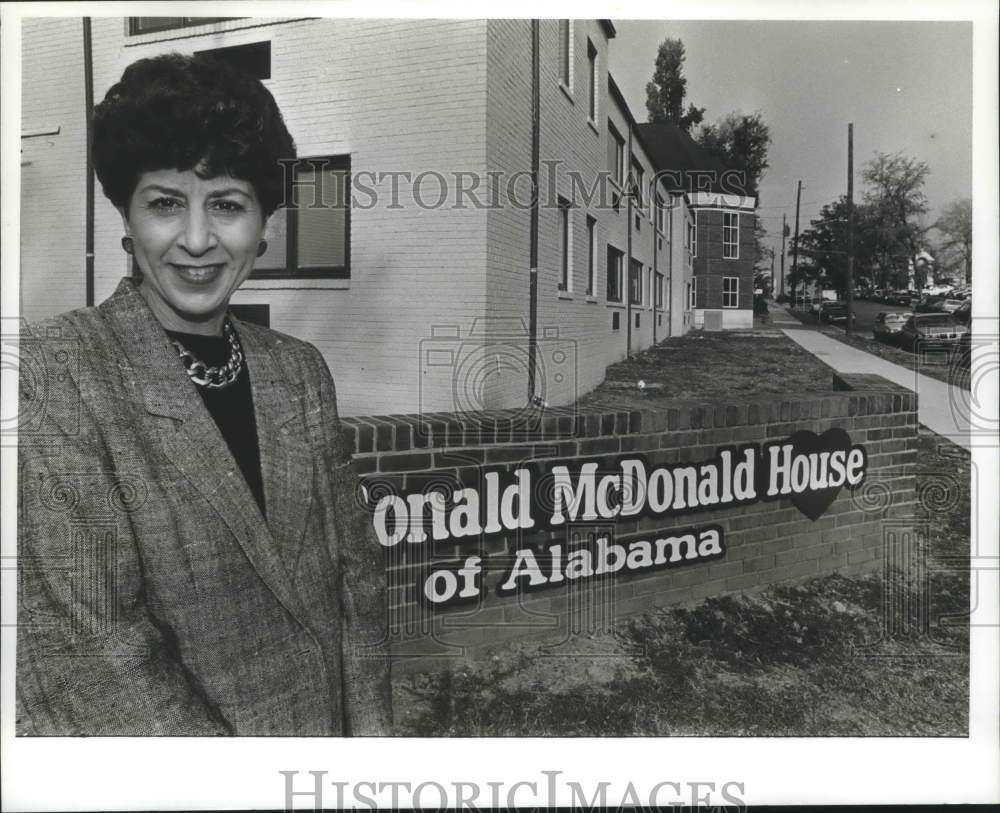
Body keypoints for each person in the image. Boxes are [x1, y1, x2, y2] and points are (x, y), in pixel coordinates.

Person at [16, 53, 392, 736]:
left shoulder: (300, 371)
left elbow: (357, 586)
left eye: (226, 204)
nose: (196, 240)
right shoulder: (56, 371)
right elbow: (100, 654)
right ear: (125, 216)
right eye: (165, 203)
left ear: (264, 226)